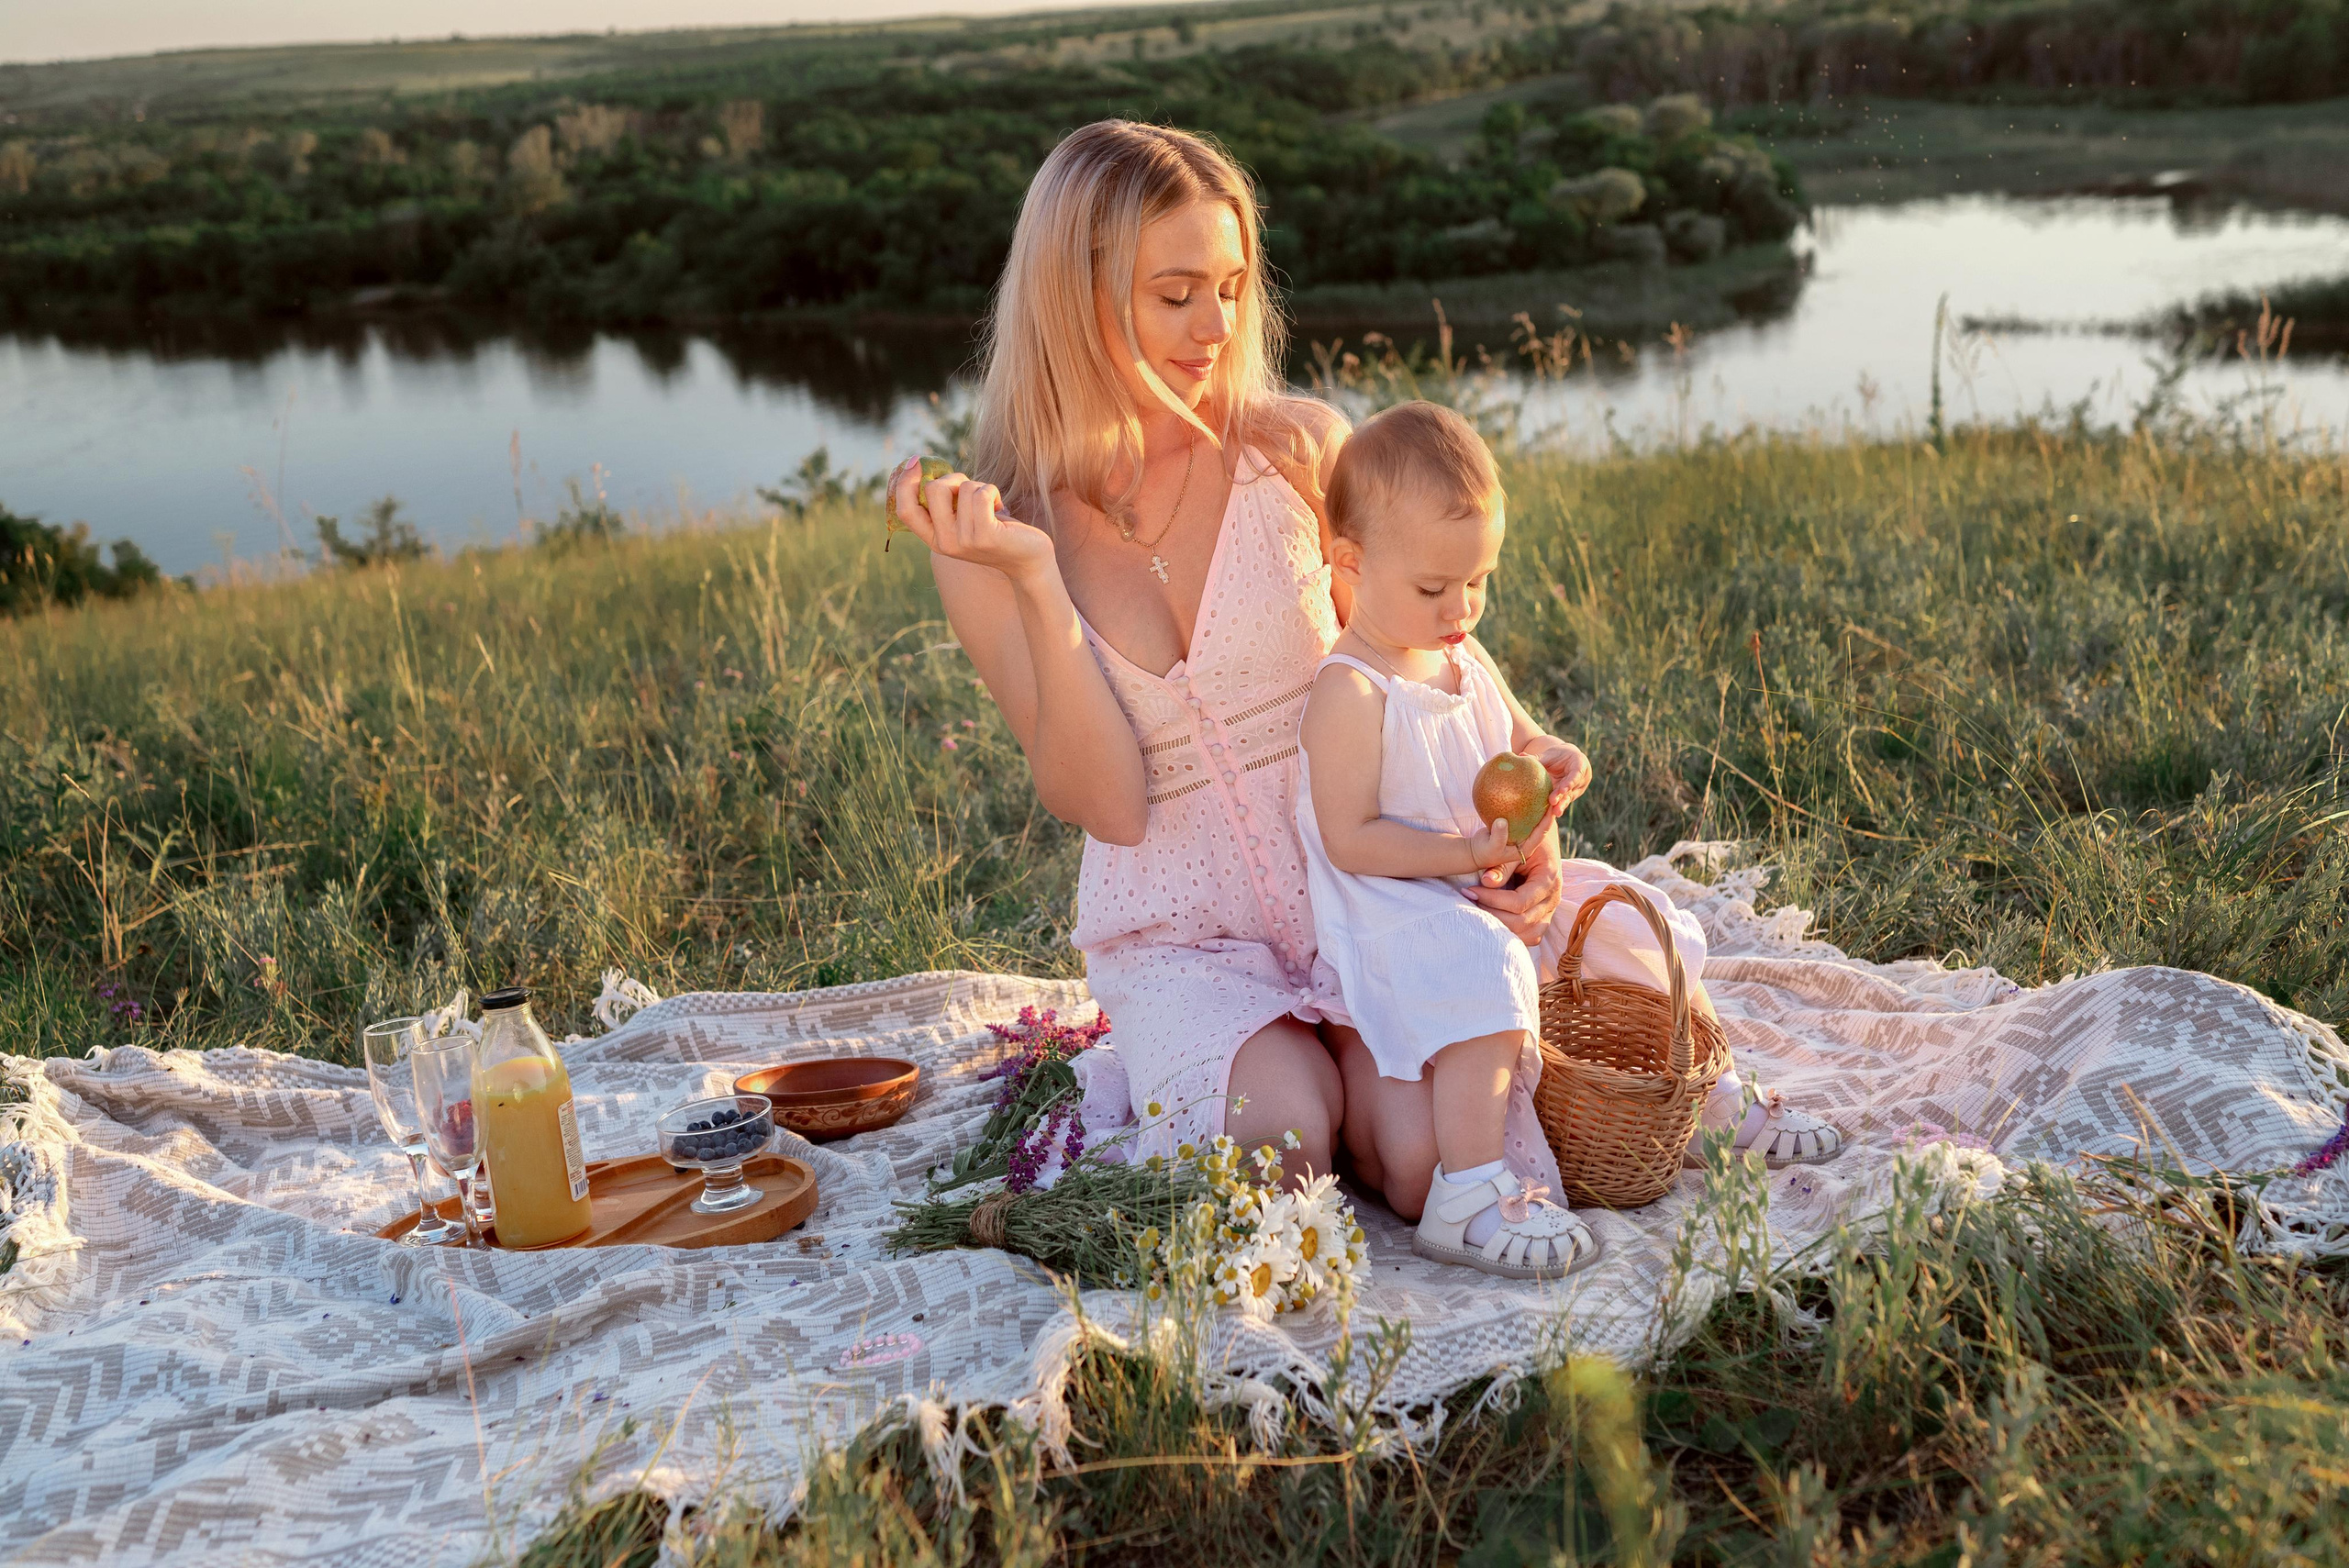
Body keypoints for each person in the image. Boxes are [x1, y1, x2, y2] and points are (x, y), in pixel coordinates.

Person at [887, 118, 1835, 1207]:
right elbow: (1109, 803)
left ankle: (1408, 1078)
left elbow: (1432, 655)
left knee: (1434, 1157)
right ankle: (1284, 1073)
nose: (1214, 326)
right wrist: (1037, 580)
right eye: (1176, 291)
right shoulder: (992, 536)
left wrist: (1528, 820)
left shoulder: (1292, 449)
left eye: (1232, 286)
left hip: (1374, 884)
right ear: (1076, 291)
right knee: (1277, 1154)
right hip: (1188, 938)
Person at [1300, 403, 1840, 1273]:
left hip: (1486, 880)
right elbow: (1350, 838)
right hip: (1402, 908)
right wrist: (1463, 857)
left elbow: (1523, 737)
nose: (1461, 607)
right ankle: (1468, 1192)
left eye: (1478, 581)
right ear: (1351, 566)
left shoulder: (1460, 656)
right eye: (1435, 588)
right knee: (1481, 964)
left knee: (1630, 914)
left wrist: (1556, 759)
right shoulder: (1351, 692)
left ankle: (1708, 1100)